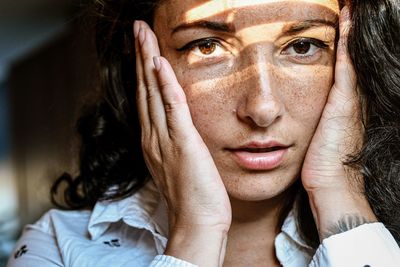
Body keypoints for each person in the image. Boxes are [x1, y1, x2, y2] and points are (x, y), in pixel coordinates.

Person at [7, 0, 400, 266]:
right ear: (139, 60)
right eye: (207, 46)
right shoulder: (58, 247)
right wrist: (195, 233)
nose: (262, 108)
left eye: (302, 46)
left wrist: (342, 196)